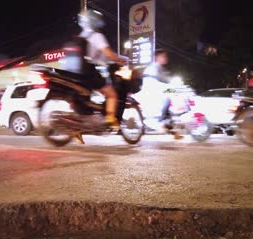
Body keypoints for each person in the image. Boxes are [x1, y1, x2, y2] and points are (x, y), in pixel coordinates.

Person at [74, 9, 126, 144]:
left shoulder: (81, 35)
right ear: (95, 22)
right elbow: (108, 54)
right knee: (112, 94)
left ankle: (77, 128)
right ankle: (110, 119)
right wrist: (120, 60)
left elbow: (102, 57)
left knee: (86, 100)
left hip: (75, 72)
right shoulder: (96, 36)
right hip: (89, 71)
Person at [138, 49, 183, 139]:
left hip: (160, 90)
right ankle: (166, 120)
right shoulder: (152, 68)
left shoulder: (161, 69)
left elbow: (168, 79)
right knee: (175, 92)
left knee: (178, 92)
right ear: (157, 57)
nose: (165, 58)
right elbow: (152, 83)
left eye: (165, 56)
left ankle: (171, 120)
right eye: (163, 56)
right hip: (153, 91)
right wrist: (171, 87)